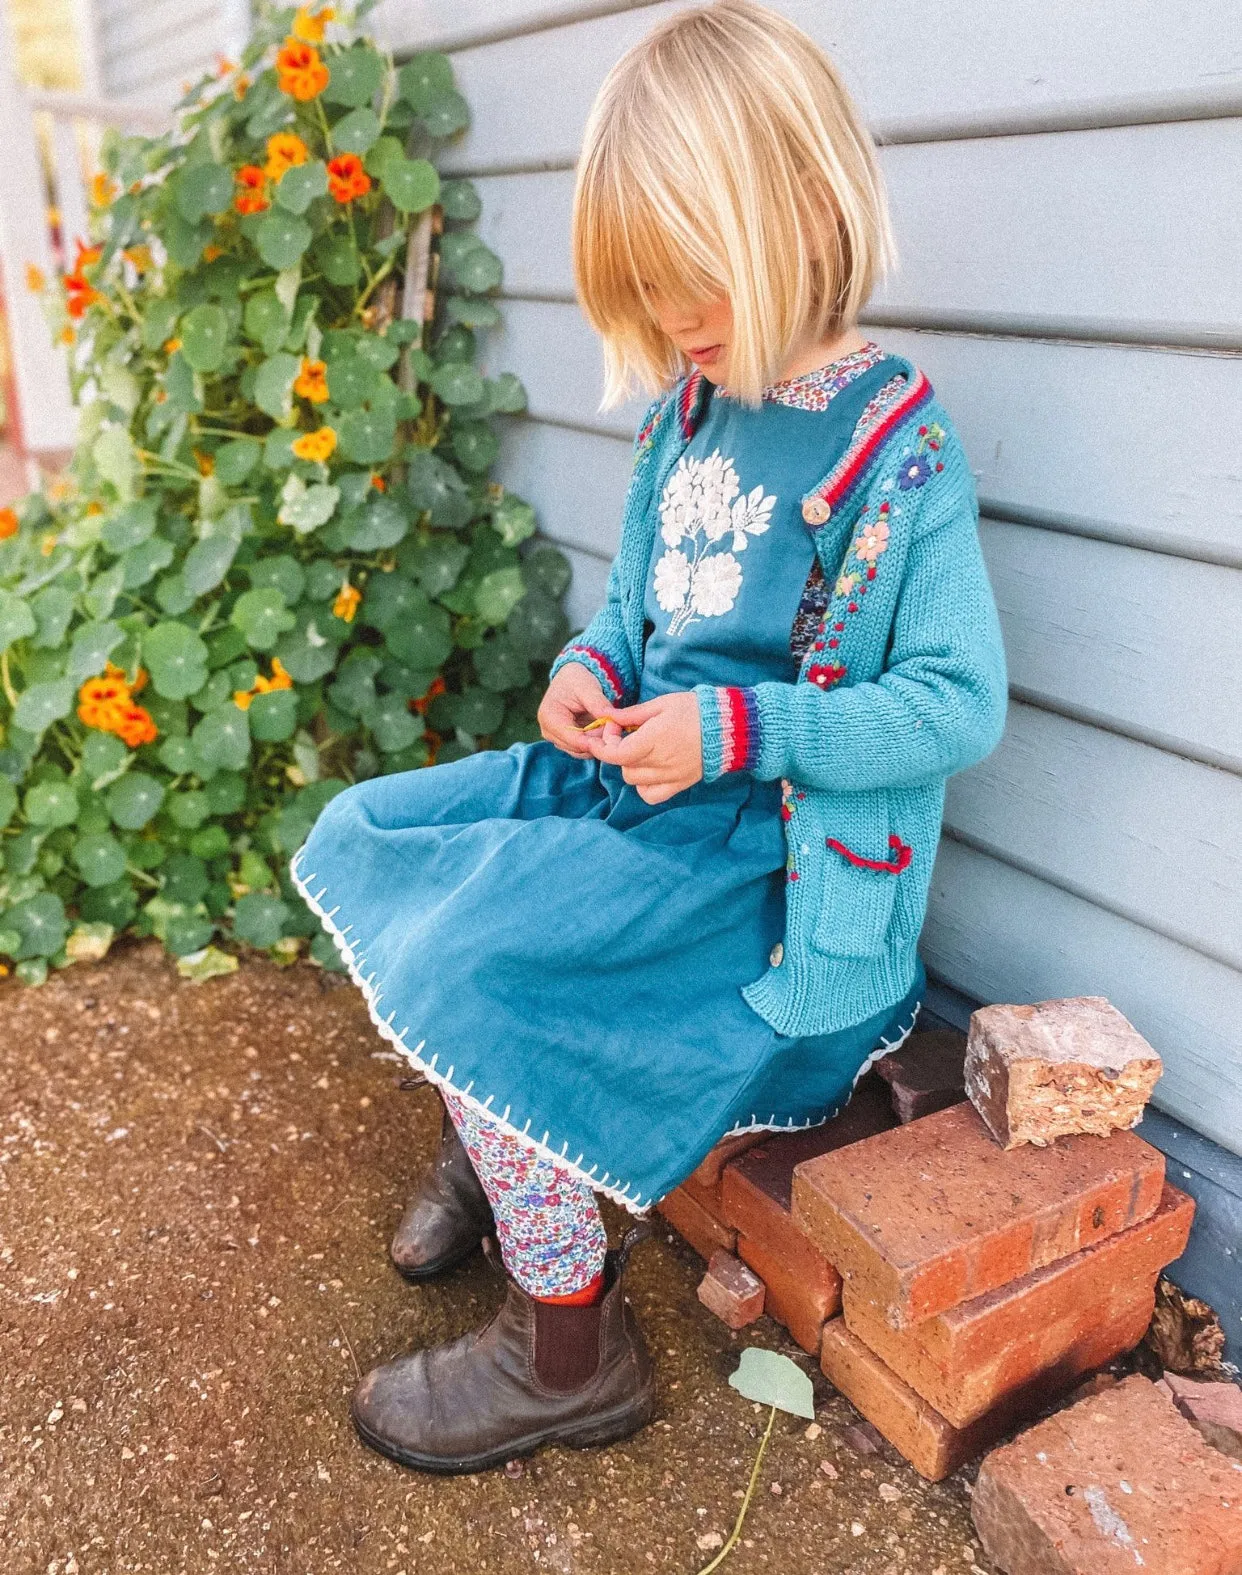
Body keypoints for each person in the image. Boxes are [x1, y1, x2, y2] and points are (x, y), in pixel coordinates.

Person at [291, 0, 1007, 1475]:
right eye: (650, 295)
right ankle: (499, 1140)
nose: (680, 327)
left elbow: (953, 706)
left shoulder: (897, 455)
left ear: (802, 212)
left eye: (698, 286)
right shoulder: (685, 415)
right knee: (395, 843)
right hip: (643, 800)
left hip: (766, 879)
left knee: (476, 957)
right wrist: (585, 667)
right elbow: (632, 610)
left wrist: (736, 726)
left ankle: (565, 1345)